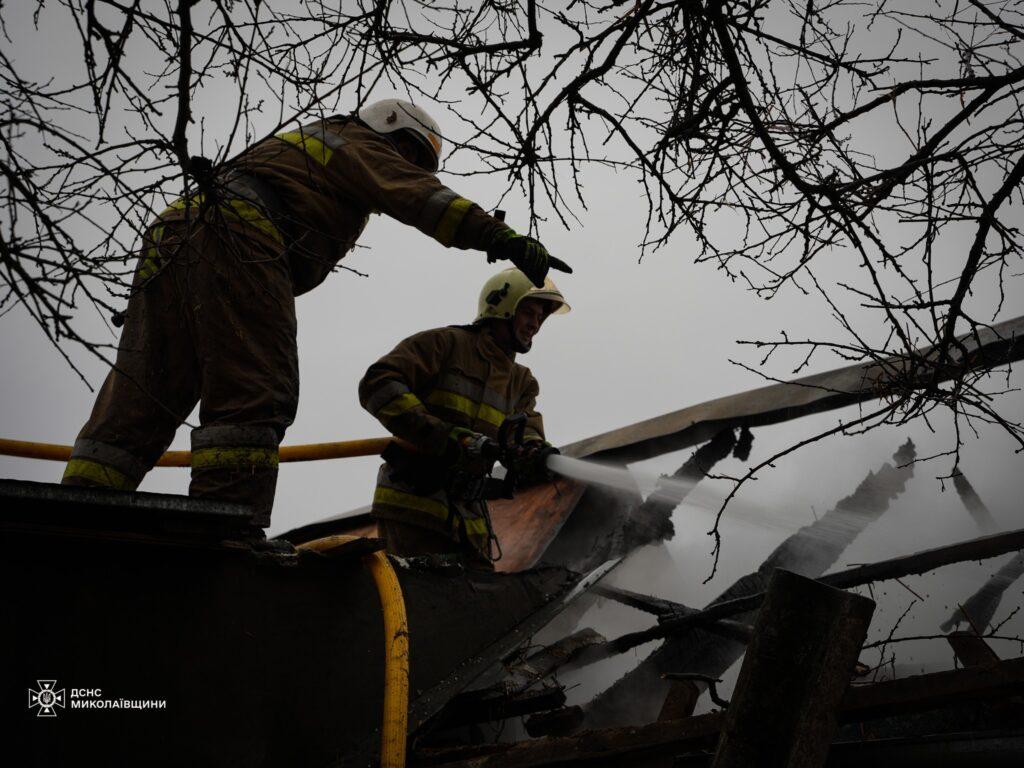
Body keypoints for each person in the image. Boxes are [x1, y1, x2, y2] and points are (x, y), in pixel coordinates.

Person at [60, 99, 569, 527]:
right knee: (255, 394)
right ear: (389, 129)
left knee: (147, 392)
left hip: (178, 232)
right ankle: (224, 528)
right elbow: (417, 195)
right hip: (242, 236)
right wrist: (499, 237)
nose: (410, 168)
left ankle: (76, 515)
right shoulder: (356, 143)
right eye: (411, 155)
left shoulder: (305, 149)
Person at [359, 267, 569, 566]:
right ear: (503, 307)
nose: (535, 324)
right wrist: (441, 434)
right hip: (415, 509)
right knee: (416, 603)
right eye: (529, 313)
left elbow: (523, 431)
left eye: (540, 318)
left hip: (470, 522)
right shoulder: (445, 344)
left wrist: (531, 451)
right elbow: (378, 383)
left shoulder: (521, 382)